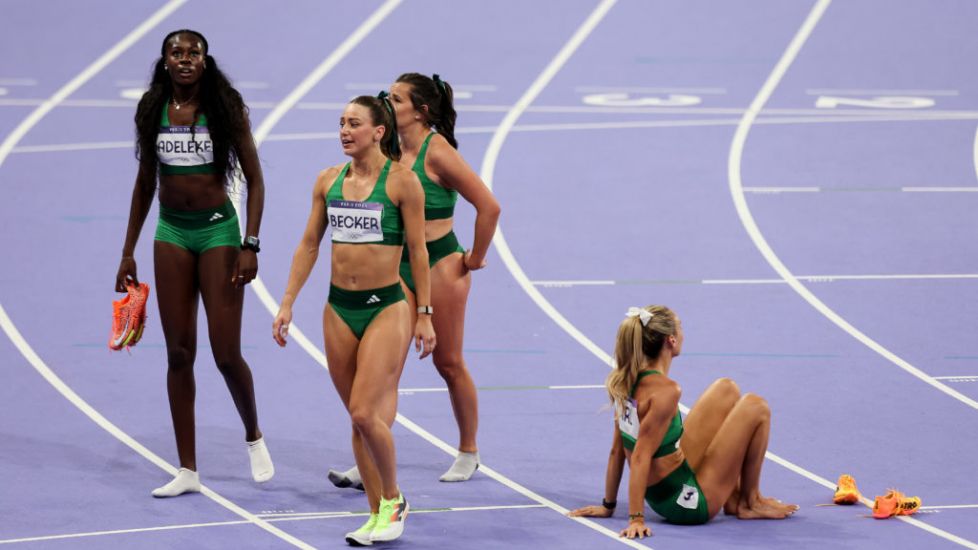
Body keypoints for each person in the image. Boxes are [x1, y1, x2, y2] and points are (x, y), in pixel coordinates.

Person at [115, 29, 273, 498]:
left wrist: (251, 243)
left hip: (218, 232)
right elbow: (145, 182)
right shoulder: (153, 110)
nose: (185, 60)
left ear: (206, 61)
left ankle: (254, 434)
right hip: (172, 233)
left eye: (194, 53)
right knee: (178, 353)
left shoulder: (224, 108)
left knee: (225, 354)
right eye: (176, 53)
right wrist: (127, 249)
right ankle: (188, 469)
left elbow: (257, 182)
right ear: (164, 60)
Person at [272, 95, 435, 545]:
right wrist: (287, 302)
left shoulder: (402, 183)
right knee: (357, 420)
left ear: (379, 131)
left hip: (386, 307)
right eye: (341, 123)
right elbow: (309, 245)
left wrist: (424, 313)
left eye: (354, 124)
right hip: (338, 309)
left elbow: (419, 252)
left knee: (366, 411)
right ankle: (376, 513)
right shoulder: (328, 181)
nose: (345, 131)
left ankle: (395, 500)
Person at [328, 73, 500, 489]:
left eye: (397, 98)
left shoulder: (436, 151)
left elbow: (489, 207)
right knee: (385, 370)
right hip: (396, 265)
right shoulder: (387, 147)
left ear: (421, 111)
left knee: (448, 362)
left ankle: (468, 450)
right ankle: (368, 450)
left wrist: (474, 257)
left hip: (440, 263)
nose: (388, 100)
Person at [568, 306, 797, 538]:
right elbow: (639, 456)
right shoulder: (666, 392)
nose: (684, 334)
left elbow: (617, 452)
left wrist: (608, 505)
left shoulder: (627, 380)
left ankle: (735, 496)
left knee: (726, 388)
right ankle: (750, 502)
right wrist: (636, 519)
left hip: (667, 482)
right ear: (671, 340)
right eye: (681, 328)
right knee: (756, 406)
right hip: (685, 504)